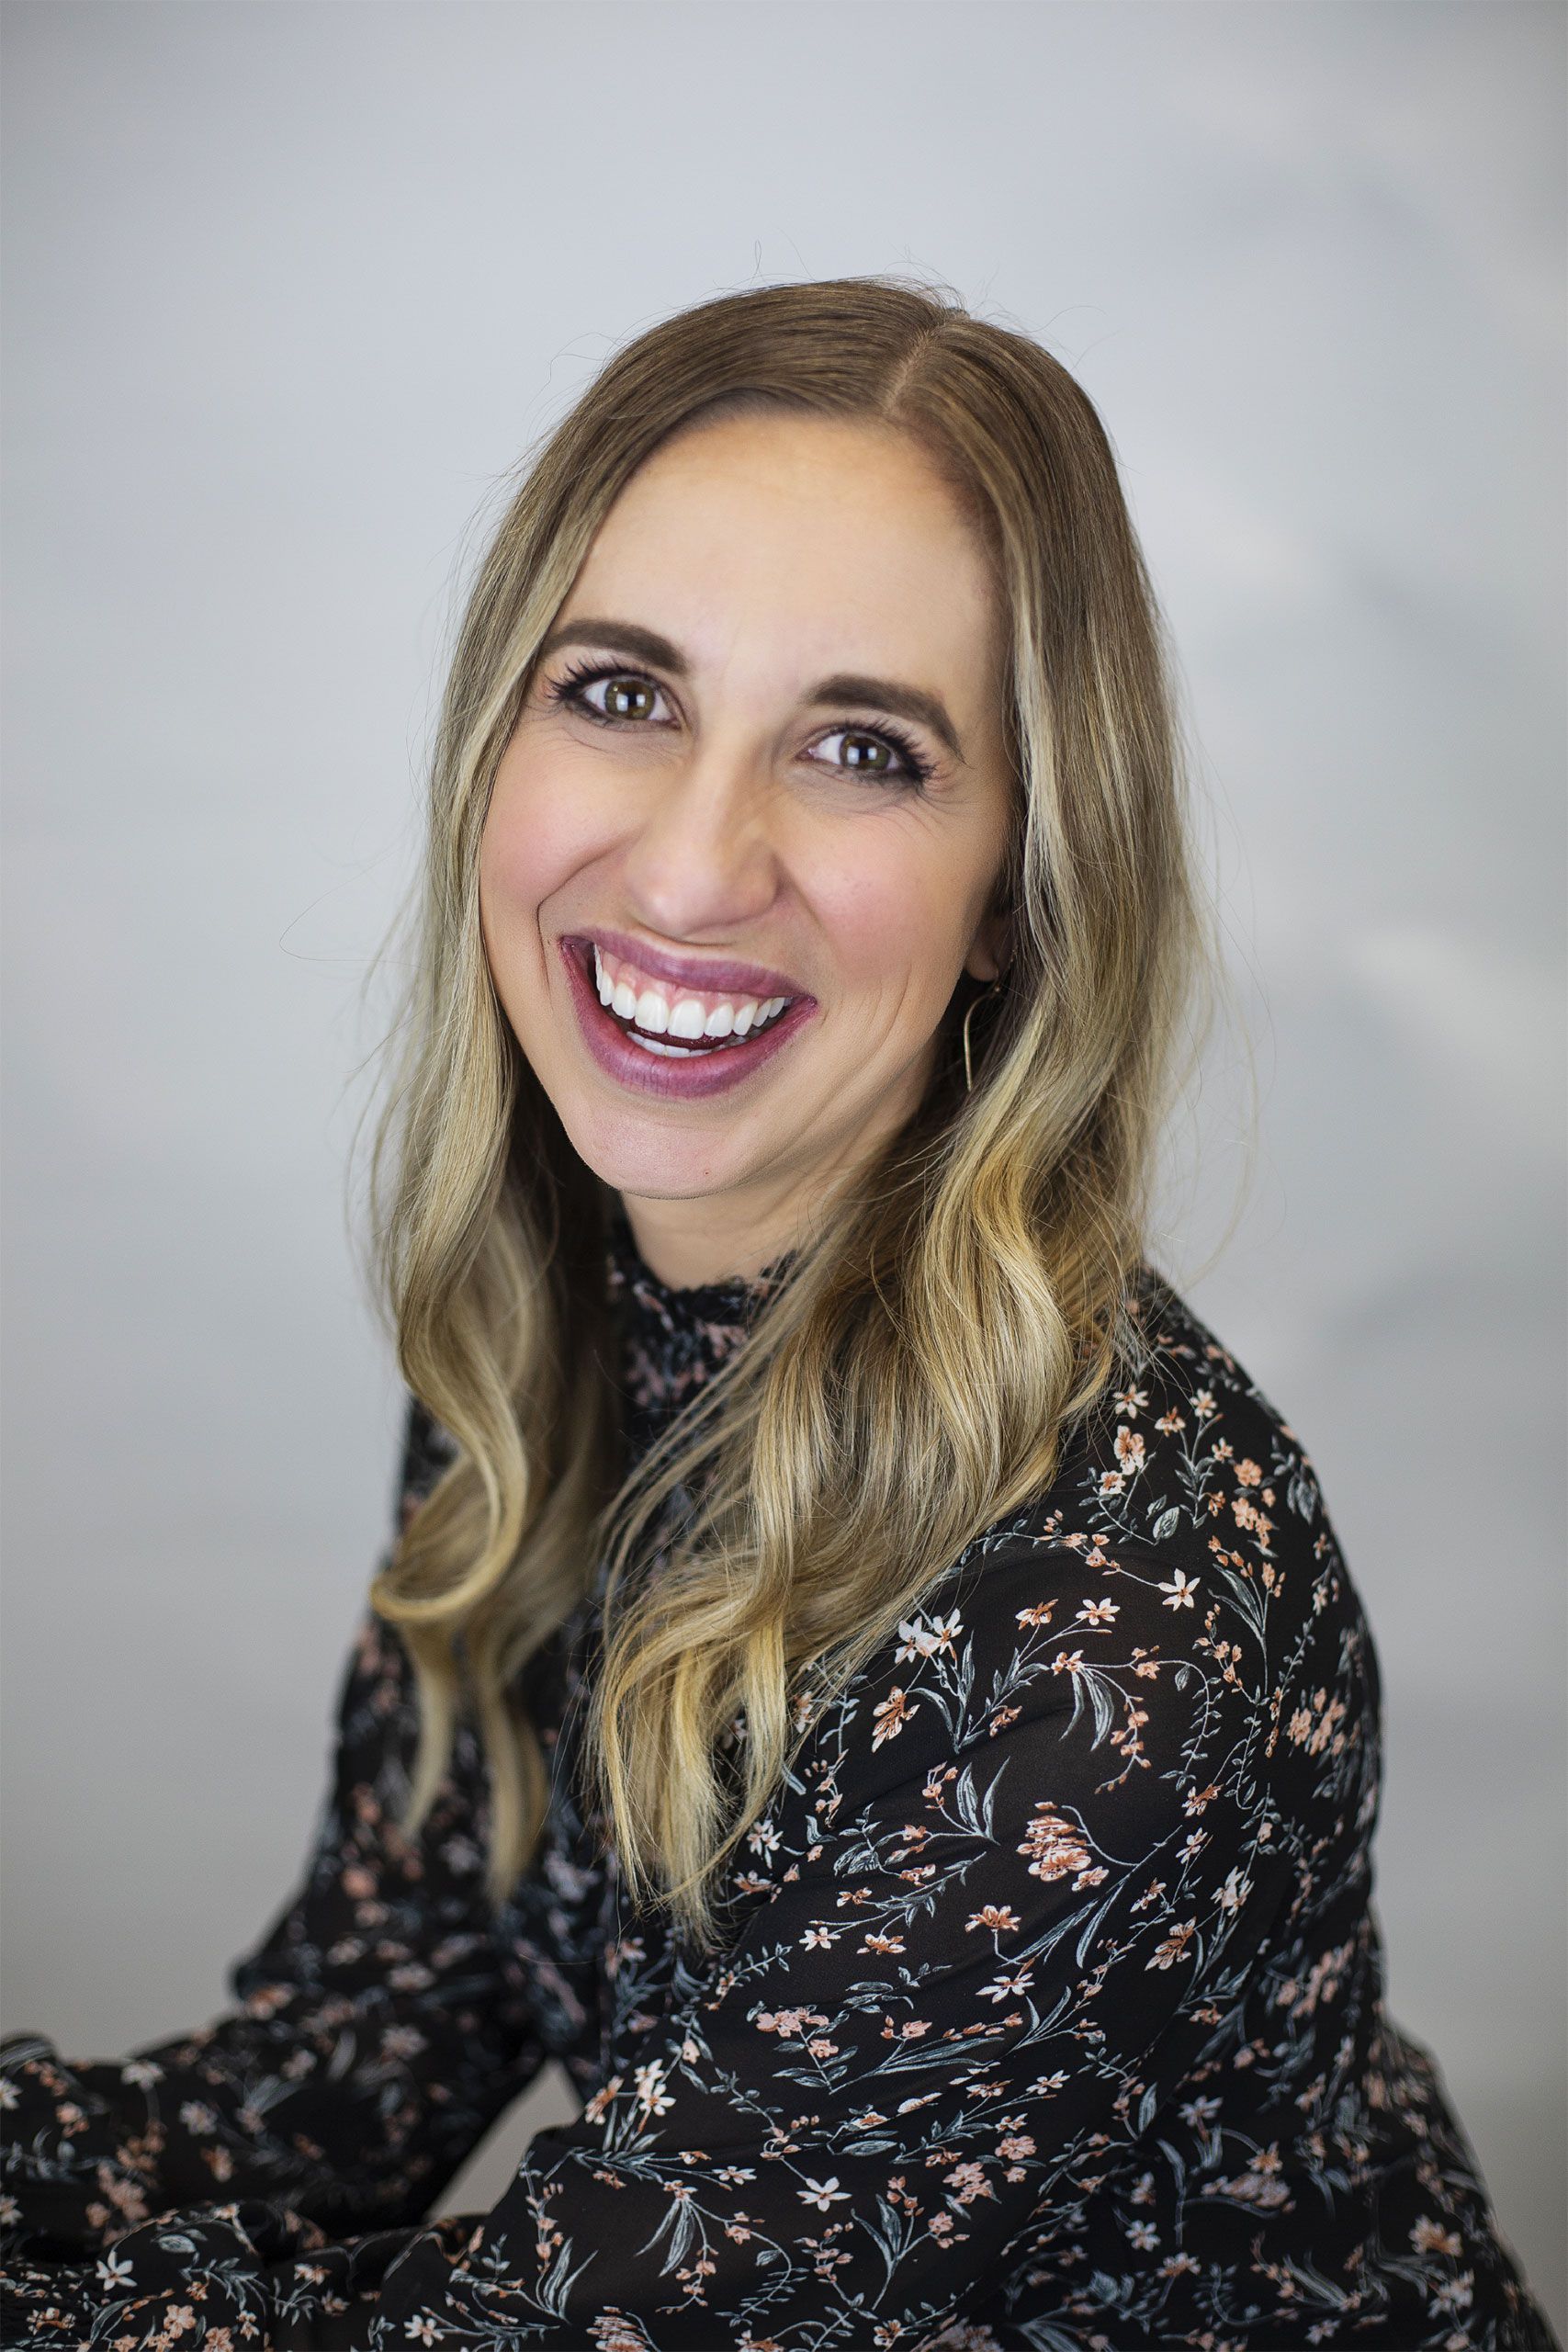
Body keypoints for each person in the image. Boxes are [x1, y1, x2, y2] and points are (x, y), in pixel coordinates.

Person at [1, 276, 1554, 2352]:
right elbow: (351, 2060)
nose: (690, 861)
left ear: (1019, 886)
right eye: (622, 693)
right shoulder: (566, 1327)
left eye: (858, 746)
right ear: (497, 747)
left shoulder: (1100, 1621)